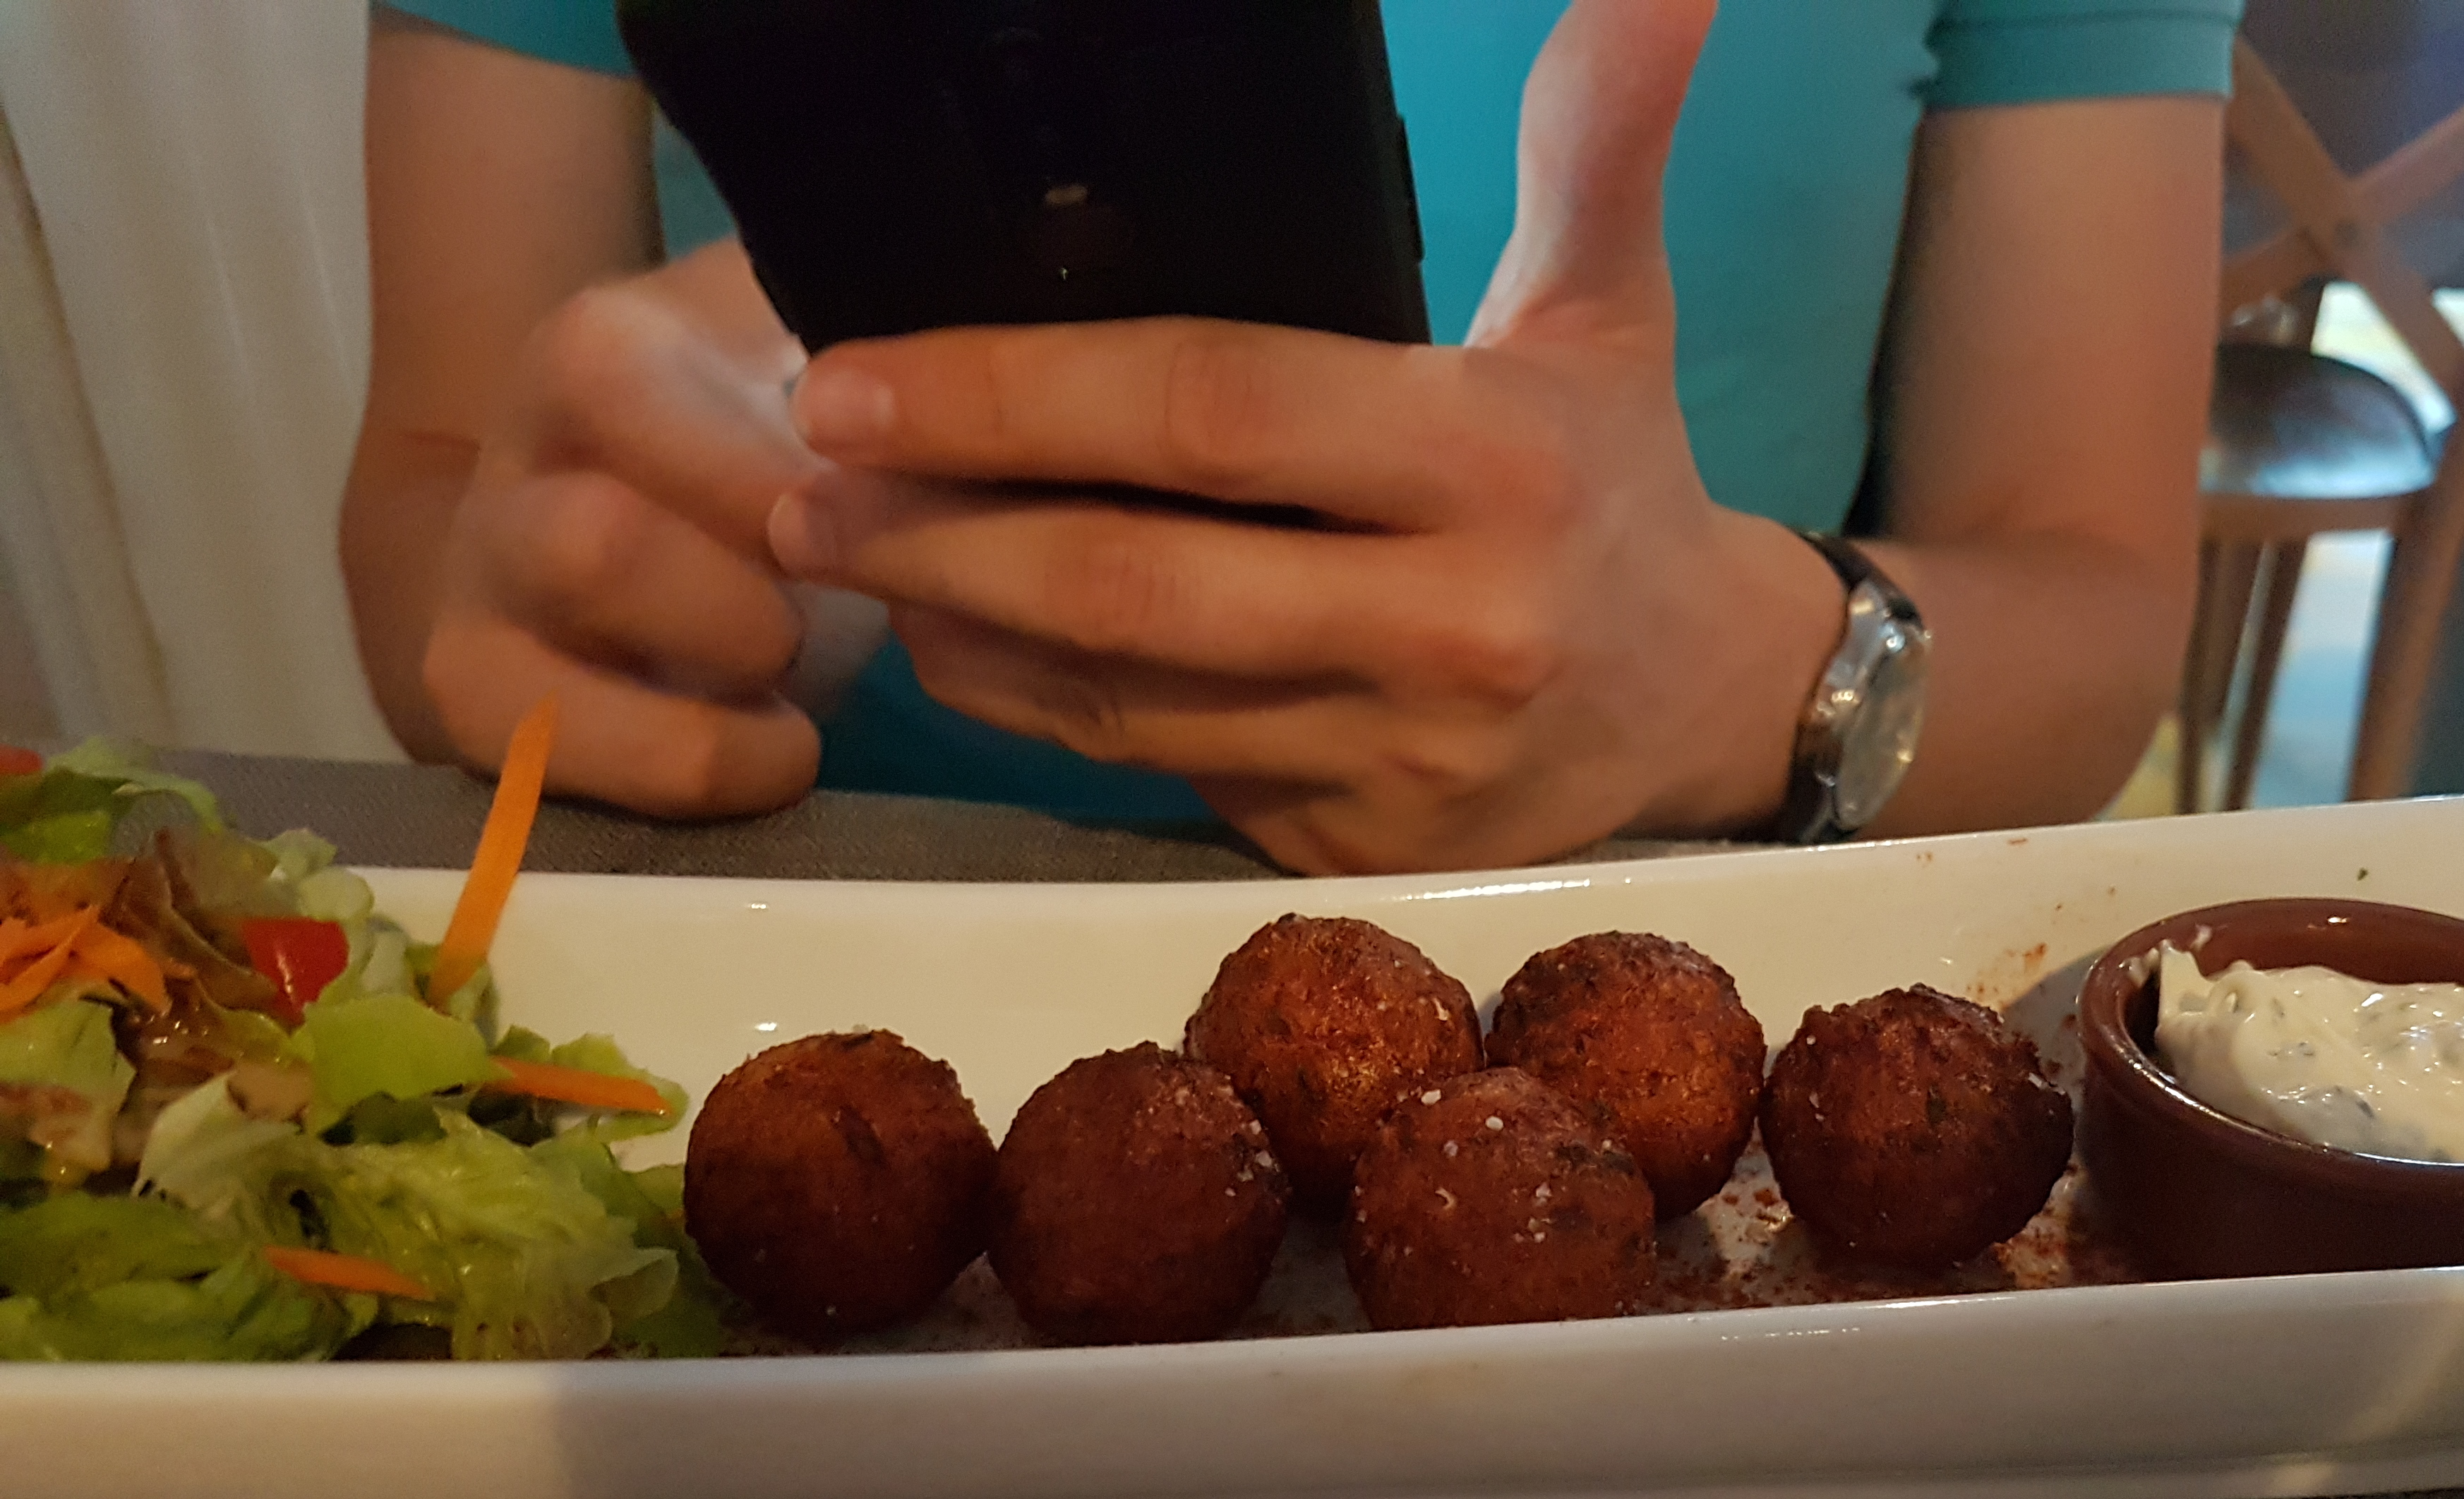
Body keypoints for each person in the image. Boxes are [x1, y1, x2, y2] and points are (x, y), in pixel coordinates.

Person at [346, 0, 2236, 874]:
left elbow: (2096, 598)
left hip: (1656, 956)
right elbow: (431, 476)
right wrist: (615, 575)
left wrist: (1739, 677)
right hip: (792, 925)